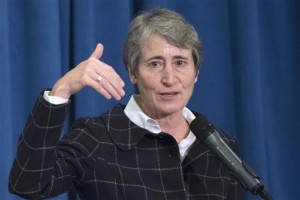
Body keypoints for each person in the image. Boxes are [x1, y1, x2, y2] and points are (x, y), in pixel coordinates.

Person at [9, 8, 243, 199]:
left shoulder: (221, 146)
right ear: (133, 72)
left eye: (180, 63)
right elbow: (29, 183)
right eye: (155, 64)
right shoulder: (96, 138)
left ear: (197, 72)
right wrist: (62, 90)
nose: (170, 79)